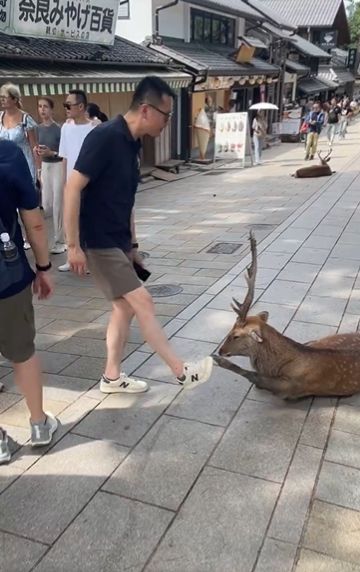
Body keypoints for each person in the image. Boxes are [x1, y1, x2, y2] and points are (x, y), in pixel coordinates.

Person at [64, 76, 213, 394]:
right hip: (98, 240)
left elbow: (126, 200)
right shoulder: (104, 137)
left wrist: (132, 244)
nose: (168, 122)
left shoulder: (131, 144)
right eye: (166, 115)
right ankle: (181, 371)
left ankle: (111, 377)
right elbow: (72, 188)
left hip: (117, 242)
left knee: (125, 307)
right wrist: (73, 245)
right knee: (143, 302)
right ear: (146, 110)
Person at [0, 140, 57, 464]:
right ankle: (38, 424)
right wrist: (44, 267)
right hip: (6, 277)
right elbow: (33, 220)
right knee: (22, 353)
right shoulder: (7, 154)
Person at [57, 89, 97, 271]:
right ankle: (71, 257)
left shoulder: (94, 127)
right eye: (65, 105)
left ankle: (89, 259)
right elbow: (64, 156)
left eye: (69, 105)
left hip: (91, 181)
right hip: (71, 181)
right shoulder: (65, 127)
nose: (66, 108)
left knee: (88, 220)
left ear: (81, 106)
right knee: (70, 219)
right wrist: (65, 180)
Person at [0, 83, 41, 250]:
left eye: (4, 97)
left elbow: (34, 146)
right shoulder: (0, 117)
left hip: (23, 164)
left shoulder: (25, 119)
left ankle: (30, 235)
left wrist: (38, 170)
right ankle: (15, 235)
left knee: (26, 203)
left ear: (14, 99)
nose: (1, 100)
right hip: (4, 167)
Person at [36, 97, 65, 254]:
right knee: (46, 205)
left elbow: (64, 152)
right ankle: (52, 238)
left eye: (45, 106)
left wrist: (51, 152)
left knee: (58, 204)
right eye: (40, 107)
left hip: (58, 166)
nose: (42, 110)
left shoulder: (58, 128)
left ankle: (60, 241)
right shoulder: (38, 128)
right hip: (45, 166)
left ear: (51, 109)